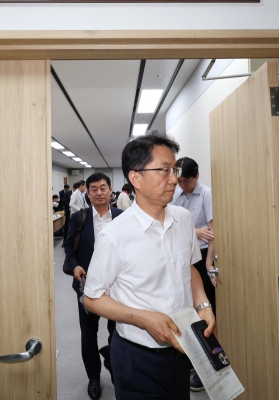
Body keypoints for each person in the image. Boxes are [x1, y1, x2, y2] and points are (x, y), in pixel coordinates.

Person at [84, 131, 216, 400]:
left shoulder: (183, 219)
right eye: (164, 169)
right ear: (136, 178)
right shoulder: (114, 235)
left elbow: (189, 268)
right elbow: (92, 298)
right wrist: (144, 318)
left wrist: (203, 304)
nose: (174, 178)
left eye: (175, 169)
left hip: (182, 348)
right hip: (137, 357)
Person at [63, 173, 123, 400]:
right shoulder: (80, 217)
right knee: (88, 333)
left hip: (117, 287)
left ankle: (114, 365)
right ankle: (94, 377)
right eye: (94, 189)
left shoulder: (121, 216)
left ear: (110, 190)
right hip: (87, 285)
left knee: (117, 331)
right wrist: (76, 266)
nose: (99, 192)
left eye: (103, 188)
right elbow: (68, 247)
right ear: (87, 193)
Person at [171, 157, 216, 392]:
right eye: (178, 181)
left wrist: (209, 264)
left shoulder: (206, 194)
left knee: (204, 314)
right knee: (185, 312)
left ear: (196, 176)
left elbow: (212, 232)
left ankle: (208, 367)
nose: (181, 185)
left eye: (186, 181)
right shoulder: (177, 194)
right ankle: (192, 362)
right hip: (182, 258)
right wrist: (194, 231)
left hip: (200, 259)